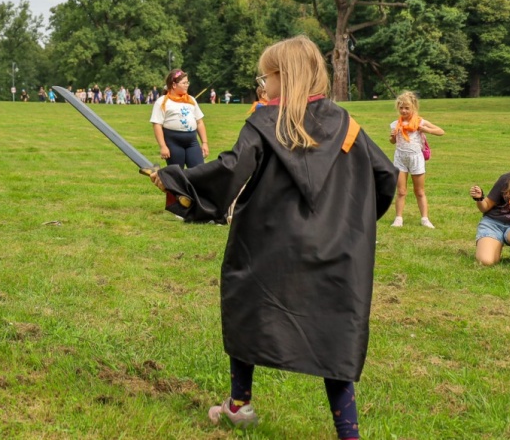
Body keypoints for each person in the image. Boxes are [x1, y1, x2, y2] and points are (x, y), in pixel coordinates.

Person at [149, 36, 395, 438]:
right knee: (334, 332)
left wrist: (176, 181)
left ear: (285, 76)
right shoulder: (346, 124)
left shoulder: (264, 123)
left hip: (267, 246)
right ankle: (347, 433)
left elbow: (230, 170)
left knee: (248, 308)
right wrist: (354, 224)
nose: (263, 85)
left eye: (266, 76)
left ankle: (240, 404)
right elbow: (385, 177)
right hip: (338, 251)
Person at [387, 91, 445, 228]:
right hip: (400, 158)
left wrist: (424, 129)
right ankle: (398, 218)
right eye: (401, 108)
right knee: (401, 191)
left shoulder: (420, 122)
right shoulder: (395, 124)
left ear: (413, 107)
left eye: (407, 108)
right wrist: (393, 136)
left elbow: (441, 131)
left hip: (416, 159)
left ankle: (425, 219)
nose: (404, 110)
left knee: (419, 191)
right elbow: (392, 142)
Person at [150, 69, 209, 171]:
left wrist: (204, 143)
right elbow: (157, 125)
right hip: (173, 142)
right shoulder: (162, 102)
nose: (187, 85)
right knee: (177, 174)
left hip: (192, 142)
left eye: (187, 82)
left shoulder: (190, 100)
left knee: (199, 172)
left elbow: (199, 122)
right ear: (174, 85)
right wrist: (163, 146)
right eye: (184, 83)